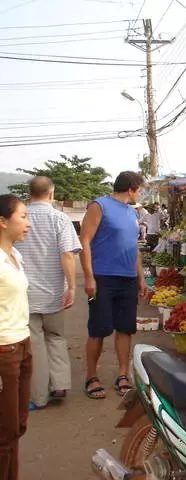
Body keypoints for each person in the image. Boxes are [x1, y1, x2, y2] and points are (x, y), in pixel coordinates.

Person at [80, 171, 148, 400]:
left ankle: (122, 375)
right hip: (103, 278)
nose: (141, 193)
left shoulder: (132, 212)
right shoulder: (99, 206)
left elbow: (134, 247)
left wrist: (140, 278)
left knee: (125, 328)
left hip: (127, 279)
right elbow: (85, 241)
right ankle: (91, 376)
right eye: (140, 189)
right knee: (98, 330)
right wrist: (89, 277)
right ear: (131, 188)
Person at [15, 177, 81, 410]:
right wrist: (72, 287)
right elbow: (67, 255)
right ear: (51, 194)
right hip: (54, 292)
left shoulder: (19, 219)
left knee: (36, 344)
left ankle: (39, 397)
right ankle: (60, 384)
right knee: (55, 336)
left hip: (25, 294)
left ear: (29, 194)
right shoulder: (60, 218)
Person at [0, 194, 31, 480]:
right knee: (5, 432)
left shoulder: (15, 255)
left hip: (23, 344)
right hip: (4, 351)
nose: (28, 224)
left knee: (18, 425)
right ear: (2, 221)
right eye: (22, 217)